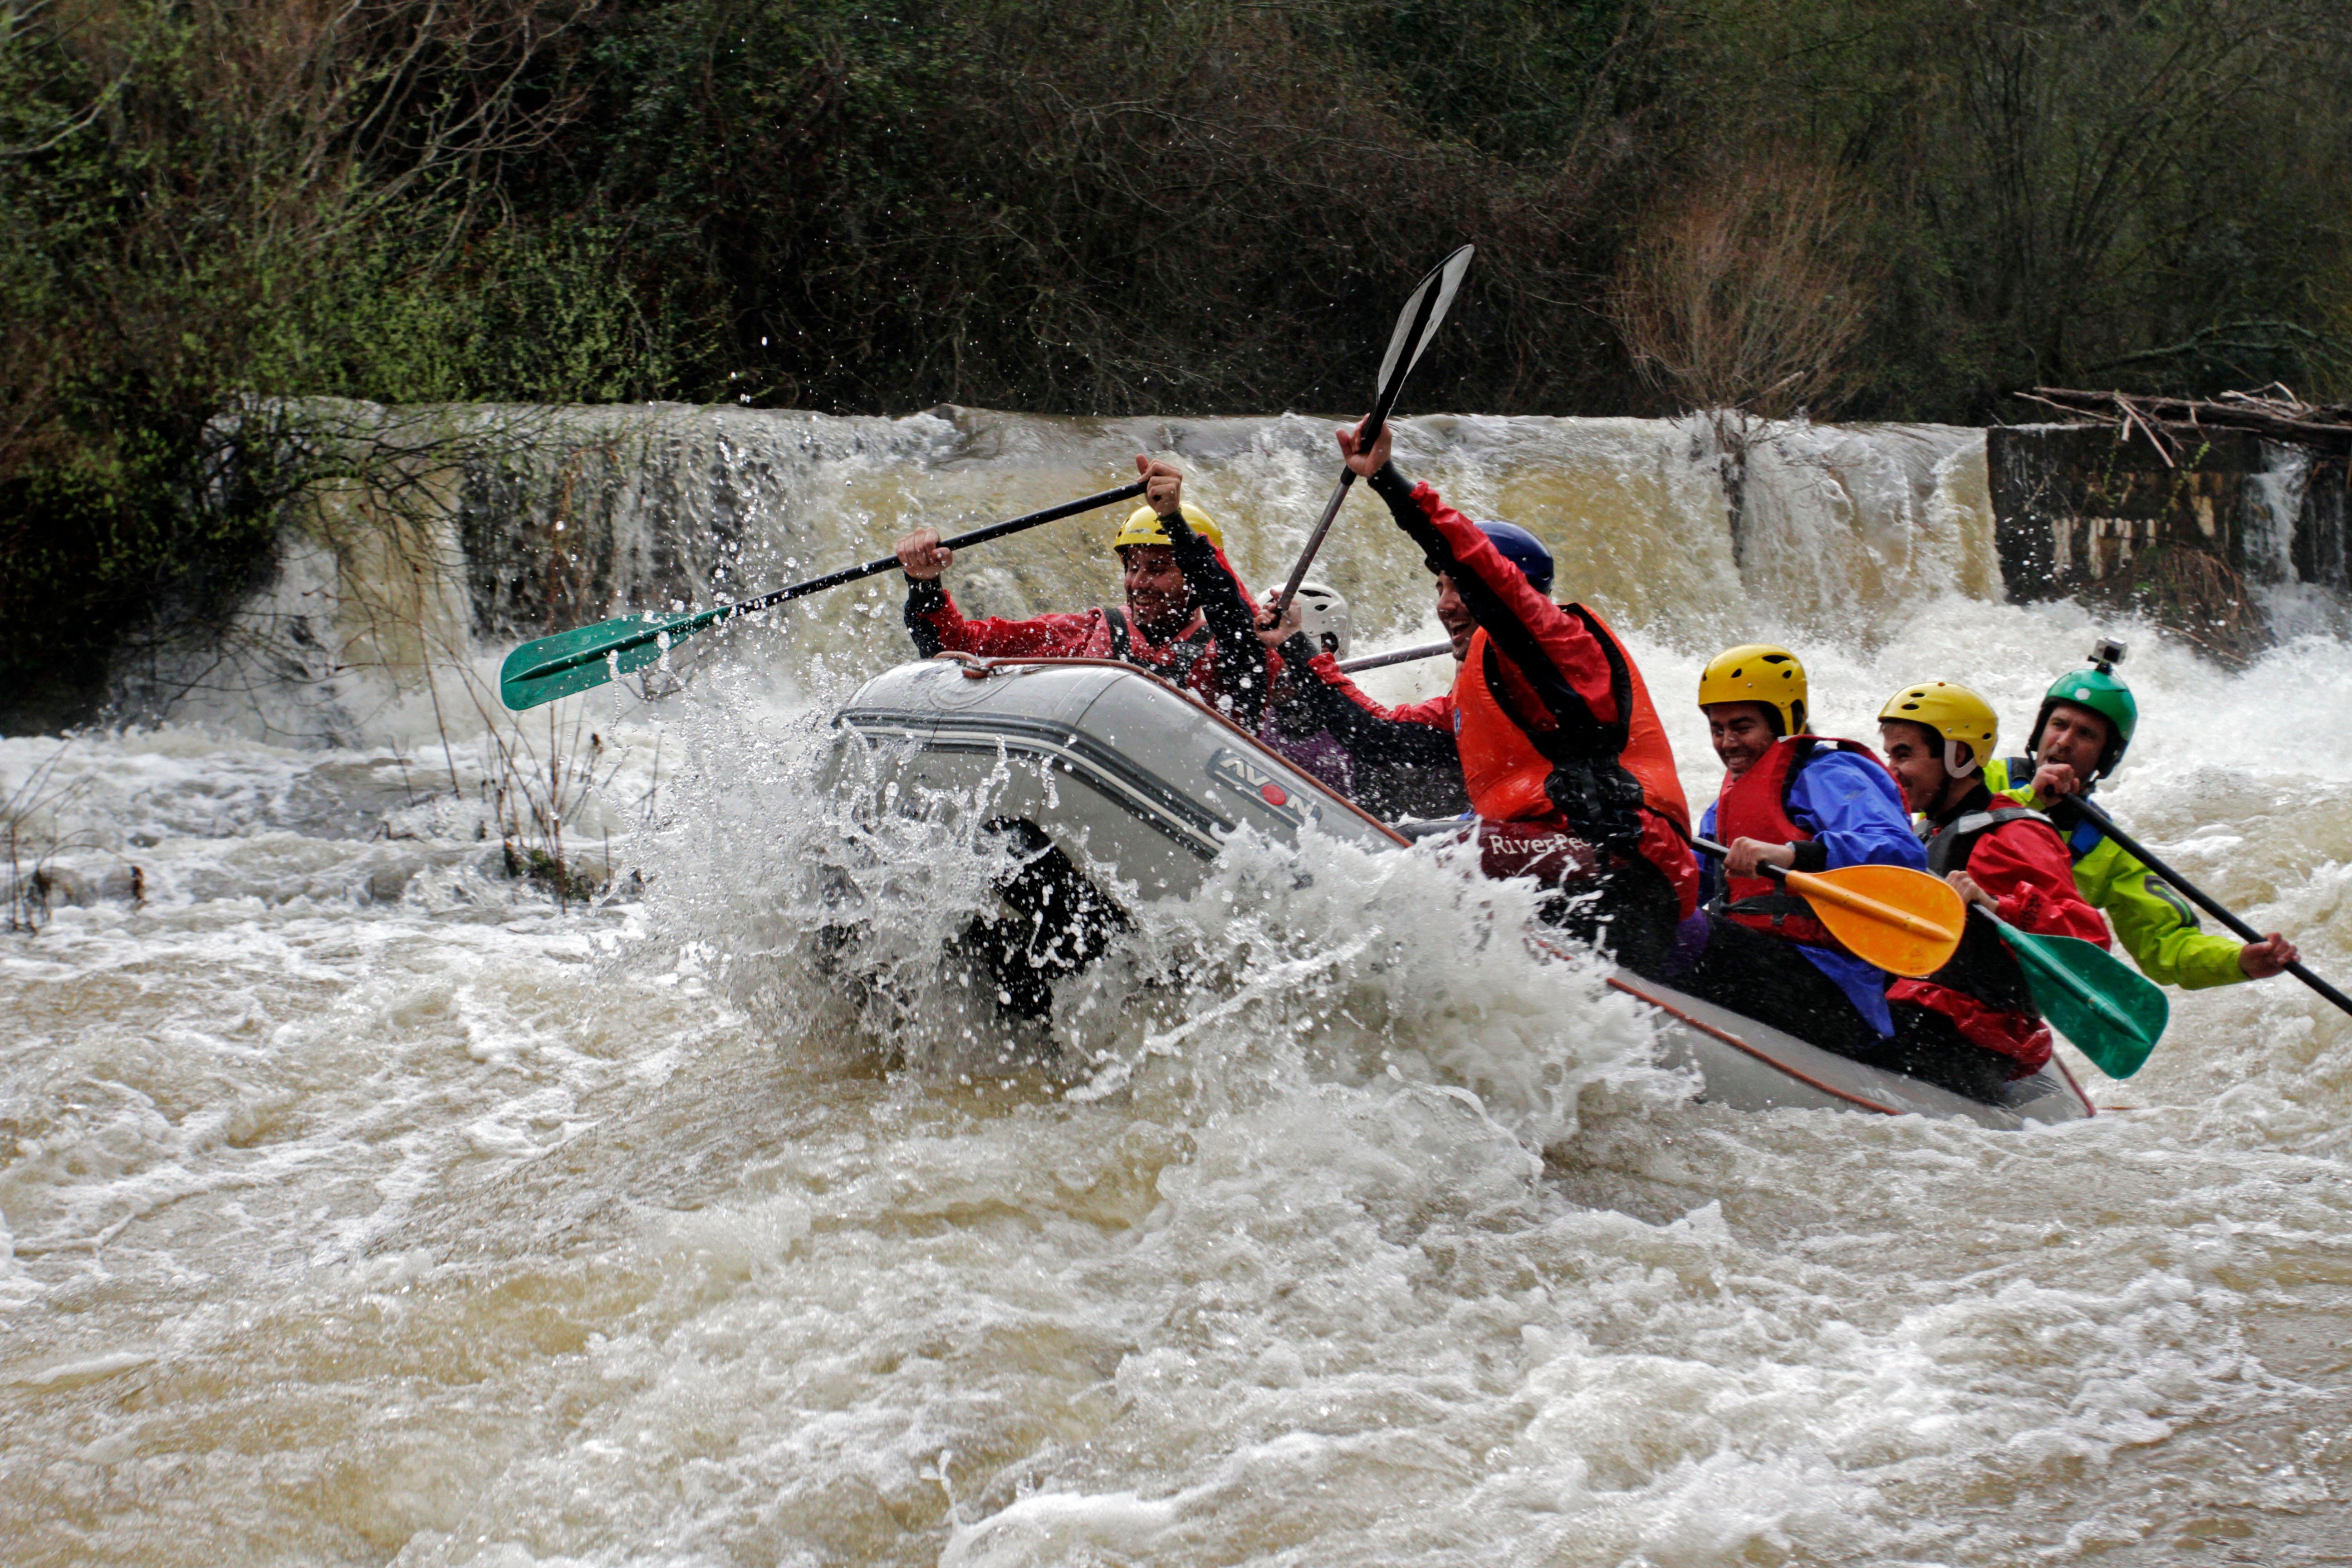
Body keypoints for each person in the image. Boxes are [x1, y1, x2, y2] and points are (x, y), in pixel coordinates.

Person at [1331, 418, 1698, 973]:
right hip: (1557, 861)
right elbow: (1373, 731)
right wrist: (1294, 650)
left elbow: (1486, 575)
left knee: (1416, 855)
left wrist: (1388, 480)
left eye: (1455, 587)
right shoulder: (1471, 697)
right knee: (1397, 840)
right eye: (1440, 588)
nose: (1445, 605)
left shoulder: (1565, 647)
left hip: (1622, 866)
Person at [1989, 644, 2300, 989]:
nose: (2063, 742)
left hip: (2000, 985)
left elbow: (2166, 945)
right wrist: (2028, 800)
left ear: (2105, 759)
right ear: (2039, 732)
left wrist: (2239, 961)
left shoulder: (2107, 849)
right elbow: (1940, 835)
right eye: (2058, 725)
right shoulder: (1982, 778)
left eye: (2086, 735)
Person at [894, 456, 1271, 726]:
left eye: (1157, 569)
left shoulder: (1232, 649)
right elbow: (957, 647)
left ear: (1195, 574)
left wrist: (1173, 521)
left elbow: (1233, 609)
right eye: (1133, 567)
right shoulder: (1089, 631)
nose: (1138, 583)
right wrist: (924, 583)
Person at [1876, 681, 2112, 1096]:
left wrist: (1995, 904)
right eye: (1889, 754)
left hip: (1968, 1035)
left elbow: (2089, 940)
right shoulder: (1925, 833)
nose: (1891, 770)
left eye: (1904, 754)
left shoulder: (2015, 834)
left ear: (1958, 756)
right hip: (1917, 1008)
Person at [1694, 644, 1928, 1055]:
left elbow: (1900, 851)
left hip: (1835, 981)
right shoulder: (1725, 806)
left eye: (1742, 726)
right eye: (1718, 729)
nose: (1728, 742)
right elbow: (1688, 882)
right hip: (1767, 960)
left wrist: (1790, 855)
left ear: (1784, 720)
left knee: (1689, 940)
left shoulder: (1831, 775)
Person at [1254, 583, 1470, 819]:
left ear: (1328, 648)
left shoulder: (1362, 745)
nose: (1269, 663)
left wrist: (1292, 644)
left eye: (1276, 651)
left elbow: (1372, 734)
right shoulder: (1248, 701)